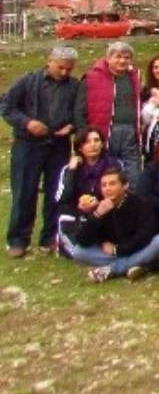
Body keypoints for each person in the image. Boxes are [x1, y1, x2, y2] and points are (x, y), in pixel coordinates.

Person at [1, 45, 81, 256]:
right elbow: (7, 107)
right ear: (49, 61)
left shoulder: (74, 85)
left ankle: (50, 237)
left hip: (58, 145)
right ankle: (18, 239)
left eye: (69, 69)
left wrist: (71, 126)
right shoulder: (27, 81)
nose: (64, 73)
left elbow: (79, 112)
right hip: (28, 144)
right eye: (60, 67)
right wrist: (27, 123)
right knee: (24, 192)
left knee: (56, 192)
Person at [61, 167, 159, 283]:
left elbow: (144, 235)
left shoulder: (141, 203)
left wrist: (118, 250)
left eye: (112, 184)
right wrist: (97, 215)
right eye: (104, 185)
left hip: (135, 249)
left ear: (125, 185)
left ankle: (112, 269)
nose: (108, 189)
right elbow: (83, 240)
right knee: (79, 252)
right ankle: (141, 265)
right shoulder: (99, 206)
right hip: (111, 253)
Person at [78, 41, 142, 179]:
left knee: (133, 172)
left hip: (129, 131)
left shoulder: (134, 77)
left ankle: (132, 198)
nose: (122, 61)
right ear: (108, 58)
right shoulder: (91, 77)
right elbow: (80, 109)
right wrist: (83, 134)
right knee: (107, 173)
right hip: (104, 131)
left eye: (126, 57)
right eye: (118, 57)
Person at [55, 128, 120, 247]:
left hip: (105, 214)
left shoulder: (114, 166)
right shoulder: (69, 169)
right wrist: (72, 171)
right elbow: (62, 198)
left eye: (96, 140)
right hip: (76, 215)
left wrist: (99, 203)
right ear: (80, 147)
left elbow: (121, 195)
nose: (93, 145)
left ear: (102, 144)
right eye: (87, 142)